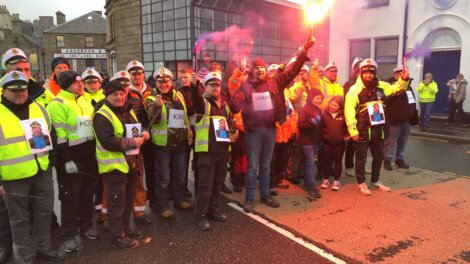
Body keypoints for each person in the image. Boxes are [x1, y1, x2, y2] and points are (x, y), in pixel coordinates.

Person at [231, 34, 314, 213]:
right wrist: (245, 101)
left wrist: (304, 51)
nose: (259, 70)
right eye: (256, 68)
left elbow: (293, 71)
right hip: (253, 132)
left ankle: (266, 194)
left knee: (266, 164)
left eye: (262, 68)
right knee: (252, 166)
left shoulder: (275, 82)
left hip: (270, 130)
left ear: (265, 69)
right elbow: (234, 105)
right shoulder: (246, 87)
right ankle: (250, 198)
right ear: (252, 71)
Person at [0, 71, 65, 263]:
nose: (19, 93)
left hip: (41, 172)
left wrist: (51, 161)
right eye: (14, 90)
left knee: (44, 213)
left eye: (23, 89)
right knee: (19, 220)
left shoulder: (39, 108)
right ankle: (26, 257)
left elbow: (51, 135)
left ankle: (44, 249)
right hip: (13, 179)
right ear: (4, 92)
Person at [47, 71, 99, 252]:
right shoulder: (57, 104)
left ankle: (85, 224)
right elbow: (60, 136)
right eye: (76, 83)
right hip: (70, 157)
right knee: (70, 196)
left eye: (81, 82)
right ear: (66, 85)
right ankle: (68, 233)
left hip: (89, 154)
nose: (80, 85)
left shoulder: (84, 100)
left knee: (87, 193)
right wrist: (67, 159)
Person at [93, 80, 149, 249]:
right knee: (116, 202)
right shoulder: (101, 115)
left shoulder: (127, 111)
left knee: (127, 199)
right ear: (107, 95)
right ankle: (117, 235)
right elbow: (107, 141)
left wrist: (143, 134)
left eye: (122, 94)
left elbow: (133, 131)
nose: (119, 97)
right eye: (114, 94)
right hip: (115, 166)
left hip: (131, 164)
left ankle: (124, 228)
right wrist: (133, 141)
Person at [345, 59, 409, 195]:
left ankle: (375, 181)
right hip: (362, 129)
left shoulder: (382, 86)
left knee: (379, 156)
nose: (369, 75)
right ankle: (361, 183)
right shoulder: (354, 89)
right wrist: (352, 130)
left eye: (371, 73)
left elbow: (396, 88)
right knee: (361, 158)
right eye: (366, 72)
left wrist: (404, 79)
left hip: (379, 129)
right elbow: (348, 110)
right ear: (361, 73)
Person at [145, 67, 193, 220]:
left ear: (170, 81)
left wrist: (188, 132)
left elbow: (184, 115)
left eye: (166, 81)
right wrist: (158, 107)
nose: (163, 84)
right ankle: (162, 206)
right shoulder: (151, 98)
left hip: (179, 142)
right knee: (163, 177)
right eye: (160, 81)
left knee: (180, 174)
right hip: (162, 144)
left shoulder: (178, 94)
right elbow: (153, 120)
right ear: (156, 82)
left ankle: (179, 200)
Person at [192, 72, 236, 230]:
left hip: (222, 152)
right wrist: (194, 86)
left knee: (217, 184)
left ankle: (214, 211)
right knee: (205, 187)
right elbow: (196, 100)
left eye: (217, 85)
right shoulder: (203, 103)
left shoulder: (224, 105)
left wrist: (232, 132)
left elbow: (230, 123)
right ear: (205, 86)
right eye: (212, 85)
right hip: (207, 153)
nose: (215, 87)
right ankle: (201, 216)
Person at [126, 60, 153, 225]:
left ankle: (140, 210)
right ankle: (122, 214)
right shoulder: (125, 91)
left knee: (144, 175)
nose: (137, 76)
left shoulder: (150, 90)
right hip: (134, 138)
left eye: (140, 73)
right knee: (133, 177)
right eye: (134, 73)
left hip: (152, 138)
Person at [383, 65, 418, 170]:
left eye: (406, 73)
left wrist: (414, 117)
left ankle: (399, 159)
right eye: (402, 73)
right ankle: (387, 159)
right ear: (396, 75)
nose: (405, 75)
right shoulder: (390, 86)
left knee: (403, 141)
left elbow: (412, 102)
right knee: (391, 141)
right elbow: (385, 99)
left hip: (406, 120)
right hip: (394, 120)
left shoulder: (409, 87)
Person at [319, 96, 349, 191]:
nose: (332, 107)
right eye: (331, 104)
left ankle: (336, 180)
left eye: (335, 106)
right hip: (326, 142)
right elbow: (320, 128)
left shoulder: (344, 115)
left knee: (337, 161)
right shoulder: (324, 115)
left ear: (340, 107)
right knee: (326, 161)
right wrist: (322, 137)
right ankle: (325, 179)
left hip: (339, 143)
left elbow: (349, 126)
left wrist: (348, 136)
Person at [298, 88, 323, 198]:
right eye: (317, 98)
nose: (319, 101)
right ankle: (312, 187)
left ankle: (307, 184)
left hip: (315, 140)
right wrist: (311, 122)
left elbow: (320, 125)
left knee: (309, 163)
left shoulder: (318, 109)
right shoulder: (304, 110)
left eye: (321, 99)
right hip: (306, 140)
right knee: (310, 163)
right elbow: (301, 125)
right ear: (311, 97)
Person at [342, 57, 363, 177]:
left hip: (365, 119)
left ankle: (361, 165)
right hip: (352, 118)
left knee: (363, 145)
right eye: (358, 68)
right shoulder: (348, 85)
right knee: (351, 145)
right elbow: (345, 103)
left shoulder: (368, 85)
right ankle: (349, 165)